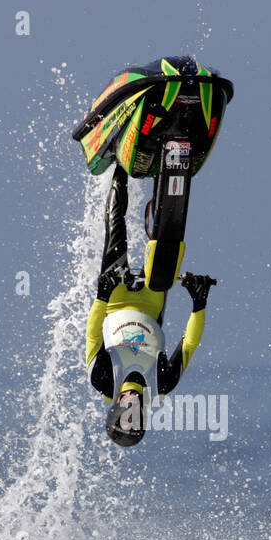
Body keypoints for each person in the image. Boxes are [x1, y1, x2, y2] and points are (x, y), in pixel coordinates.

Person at [84, 163, 215, 446]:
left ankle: (119, 165)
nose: (131, 407)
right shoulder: (161, 384)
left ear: (115, 407)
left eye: (124, 414)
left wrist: (101, 295)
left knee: (116, 228)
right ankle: (165, 172)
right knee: (165, 242)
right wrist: (198, 303)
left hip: (114, 300)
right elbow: (189, 344)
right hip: (151, 302)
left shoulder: (103, 380)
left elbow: (93, 335)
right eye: (136, 417)